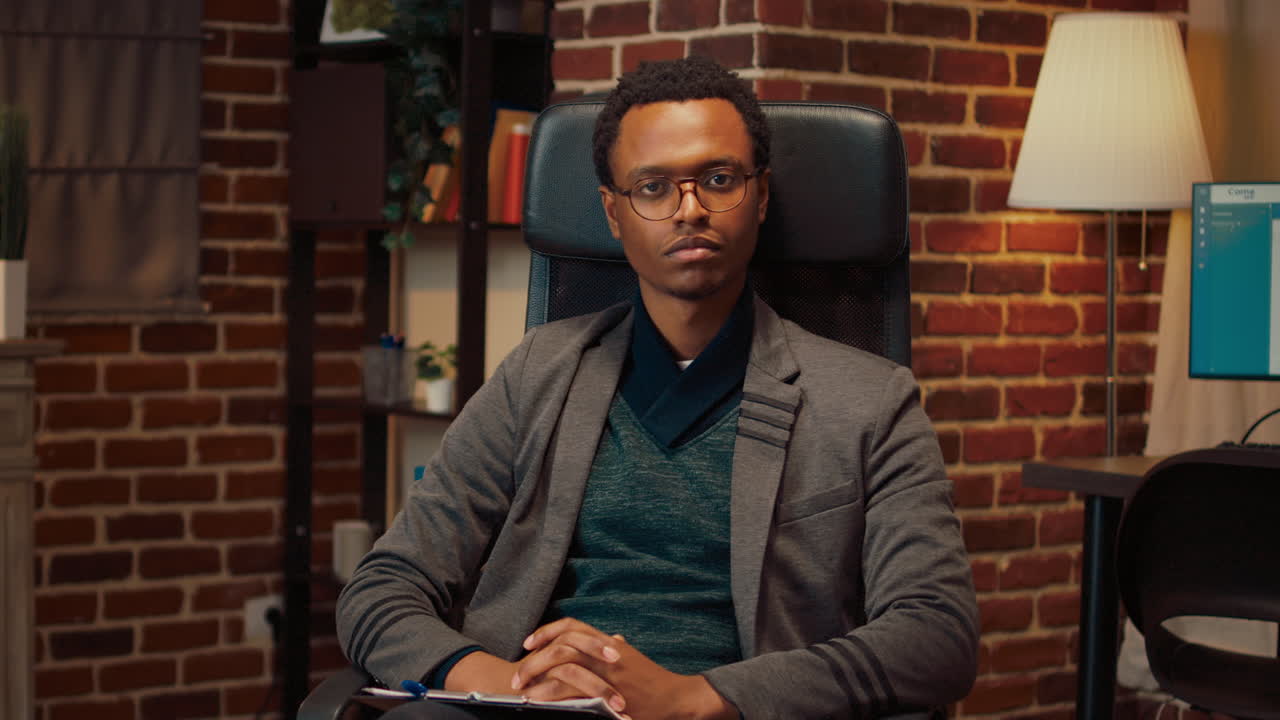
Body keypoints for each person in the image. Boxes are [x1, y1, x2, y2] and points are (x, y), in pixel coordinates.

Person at [337, 56, 978, 720]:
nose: (689, 209)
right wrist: (510, 685)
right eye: (653, 187)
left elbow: (937, 636)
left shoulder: (871, 401)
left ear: (760, 196)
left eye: (719, 178)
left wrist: (698, 698)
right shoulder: (537, 373)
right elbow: (381, 590)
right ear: (613, 213)